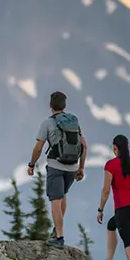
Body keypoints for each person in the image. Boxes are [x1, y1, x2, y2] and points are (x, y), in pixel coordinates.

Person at [27, 90, 87, 248]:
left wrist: (32, 164)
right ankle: (56, 230)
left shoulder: (47, 123)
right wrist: (81, 168)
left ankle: (59, 237)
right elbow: (84, 146)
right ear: (65, 105)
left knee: (55, 200)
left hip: (56, 165)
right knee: (63, 196)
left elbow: (38, 147)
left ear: (50, 106)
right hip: (72, 167)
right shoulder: (74, 121)